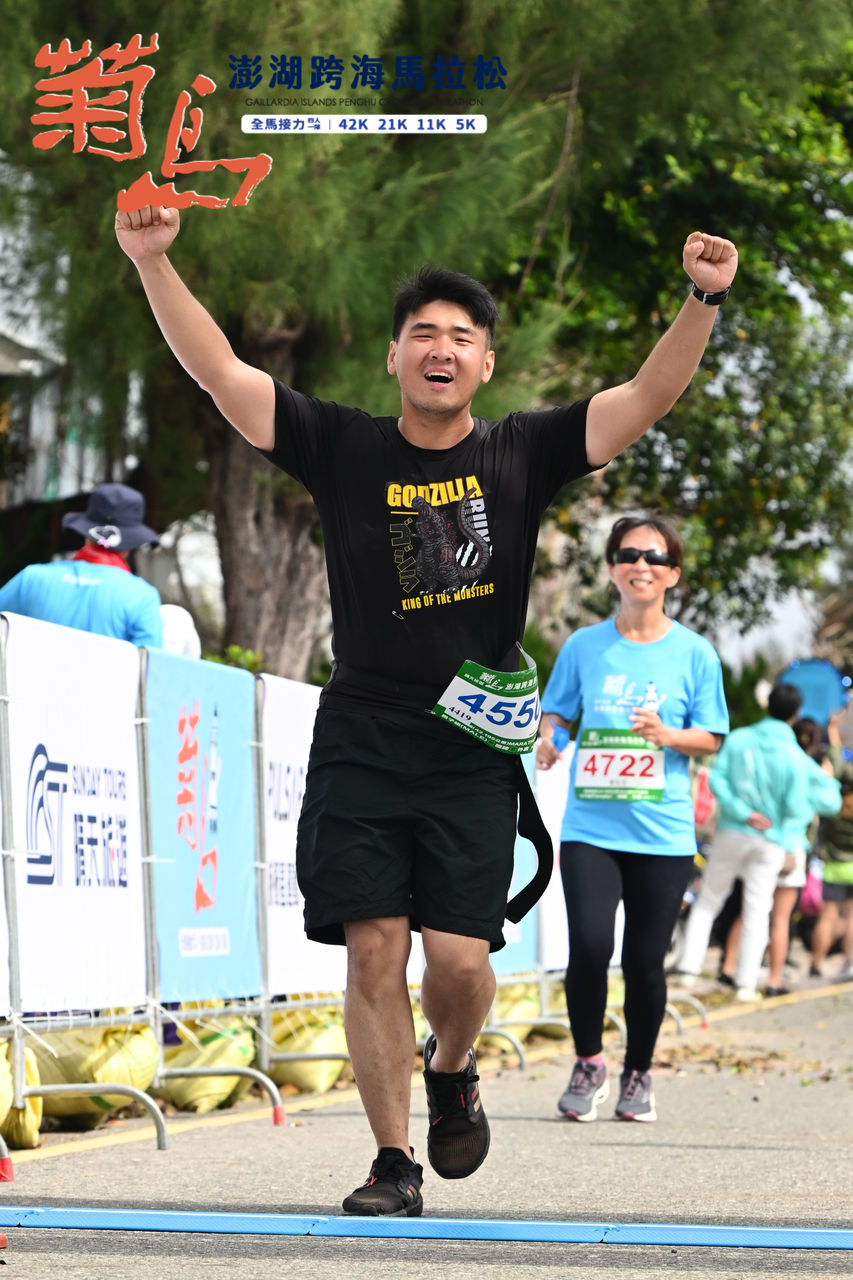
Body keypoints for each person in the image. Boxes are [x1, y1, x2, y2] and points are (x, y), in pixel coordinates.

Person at [115, 202, 738, 1216]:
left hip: (470, 748)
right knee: (373, 947)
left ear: (485, 363)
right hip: (362, 734)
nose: (440, 348)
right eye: (422, 333)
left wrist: (701, 298)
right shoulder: (341, 444)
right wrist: (151, 263)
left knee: (457, 961)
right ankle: (393, 1160)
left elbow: (645, 395)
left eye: (459, 336)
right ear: (395, 356)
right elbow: (222, 372)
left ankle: (452, 1066)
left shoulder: (523, 451)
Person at [537, 515, 728, 1123]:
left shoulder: (695, 653)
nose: (640, 565)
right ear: (613, 569)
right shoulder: (583, 646)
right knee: (590, 948)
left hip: (663, 834)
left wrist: (668, 735)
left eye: (654, 557)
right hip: (591, 828)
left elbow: (712, 736)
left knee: (645, 961)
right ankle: (588, 1062)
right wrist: (550, 739)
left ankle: (638, 1073)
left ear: (673, 574)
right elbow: (557, 714)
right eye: (628, 554)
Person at [676, 684, 841, 1001]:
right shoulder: (795, 755)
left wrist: (743, 812)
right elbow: (826, 801)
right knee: (758, 911)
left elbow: (717, 779)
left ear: (768, 705)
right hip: (771, 840)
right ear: (795, 713)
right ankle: (746, 983)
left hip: (731, 831)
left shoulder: (739, 739)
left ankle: (688, 969)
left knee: (709, 900)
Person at [0, 482, 162, 647]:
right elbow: (148, 662)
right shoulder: (142, 597)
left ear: (87, 533)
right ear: (130, 544)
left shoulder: (31, 579)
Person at [810, 716, 853, 982]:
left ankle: (816, 963)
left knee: (828, 915)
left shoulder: (835, 803)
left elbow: (835, 764)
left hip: (834, 864)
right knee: (851, 916)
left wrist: (833, 730)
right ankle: (850, 961)